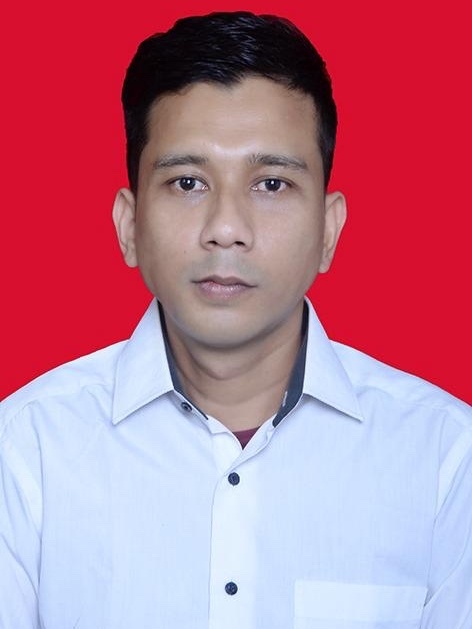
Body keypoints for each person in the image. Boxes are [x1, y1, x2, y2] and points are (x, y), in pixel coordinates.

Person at [1, 10, 471, 629]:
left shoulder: (446, 461)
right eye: (187, 182)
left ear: (329, 230)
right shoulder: (25, 452)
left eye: (271, 184)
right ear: (129, 225)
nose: (226, 228)